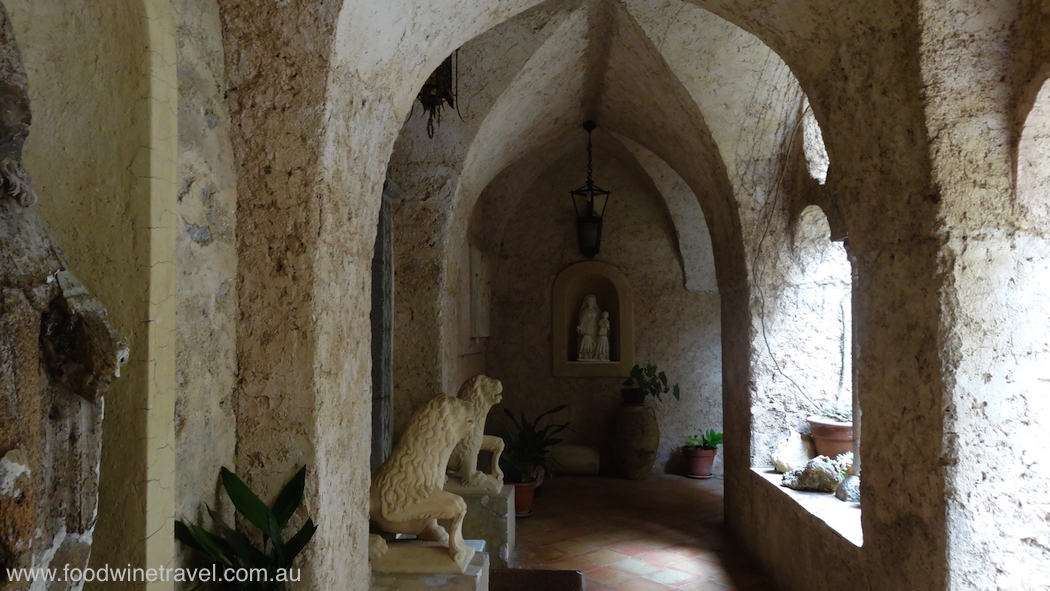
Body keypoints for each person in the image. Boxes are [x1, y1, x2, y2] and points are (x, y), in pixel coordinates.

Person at [576, 294, 600, 361]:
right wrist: (580, 327)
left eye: (591, 300)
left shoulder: (597, 311)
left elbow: (601, 321)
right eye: (588, 300)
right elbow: (581, 322)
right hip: (587, 330)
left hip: (595, 330)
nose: (590, 302)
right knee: (586, 338)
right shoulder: (583, 311)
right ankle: (586, 355)